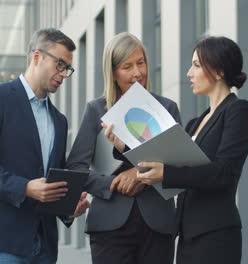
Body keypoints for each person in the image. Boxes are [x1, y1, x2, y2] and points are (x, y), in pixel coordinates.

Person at [106, 36, 248, 264]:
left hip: (216, 236)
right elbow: (169, 163)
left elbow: (224, 173)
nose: (189, 73)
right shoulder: (195, 122)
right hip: (187, 236)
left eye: (196, 65)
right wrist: (124, 146)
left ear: (218, 72)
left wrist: (167, 173)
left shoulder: (238, 110)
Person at [0, 28, 90, 264]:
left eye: (68, 68)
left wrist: (69, 208)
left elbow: (52, 181)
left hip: (44, 243)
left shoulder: (59, 120)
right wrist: (25, 188)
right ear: (37, 57)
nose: (63, 74)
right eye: (59, 64)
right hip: (5, 239)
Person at [66, 32, 180, 264]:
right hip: (109, 224)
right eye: (127, 66)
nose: (137, 72)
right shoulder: (96, 110)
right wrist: (111, 183)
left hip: (157, 224)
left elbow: (178, 166)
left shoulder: (167, 108)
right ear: (113, 72)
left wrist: (137, 174)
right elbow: (76, 169)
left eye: (141, 63)